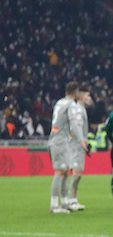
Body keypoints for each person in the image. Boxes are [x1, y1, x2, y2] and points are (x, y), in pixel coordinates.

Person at [47, 81, 88, 214]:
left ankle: (64, 204)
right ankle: (54, 206)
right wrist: (81, 139)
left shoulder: (59, 102)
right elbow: (74, 123)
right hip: (60, 141)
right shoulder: (72, 105)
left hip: (55, 140)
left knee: (65, 171)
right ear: (76, 93)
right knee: (59, 172)